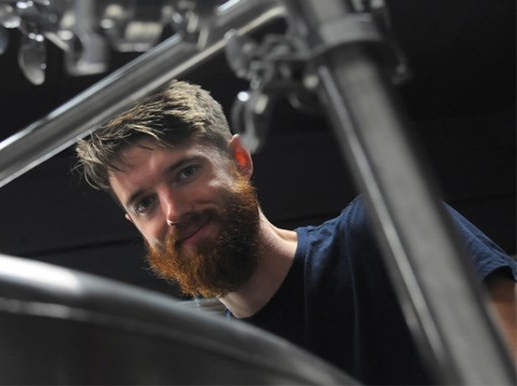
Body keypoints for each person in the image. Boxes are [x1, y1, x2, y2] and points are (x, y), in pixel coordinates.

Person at [75, 79, 517, 385]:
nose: (172, 211)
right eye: (144, 202)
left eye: (186, 171)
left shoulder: (382, 233)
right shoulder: (230, 367)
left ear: (239, 161)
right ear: (134, 224)